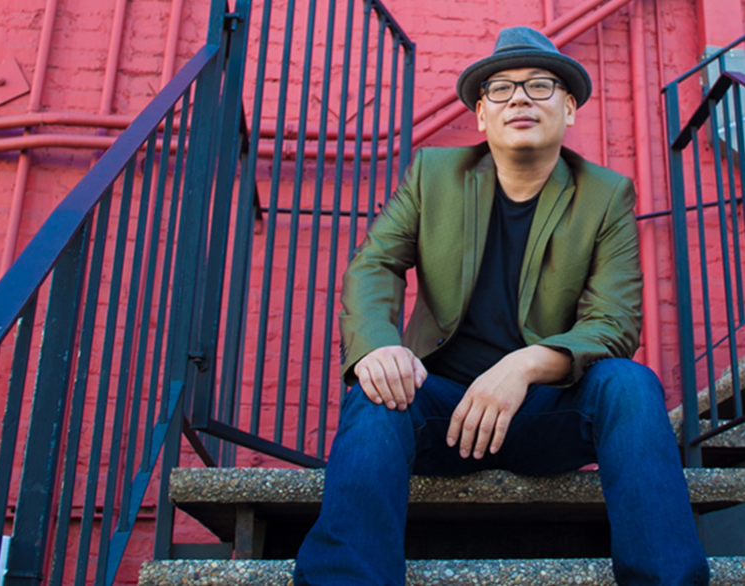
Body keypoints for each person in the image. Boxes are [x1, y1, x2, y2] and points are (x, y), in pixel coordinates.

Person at [293, 26, 709, 586]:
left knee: (630, 384)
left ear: (569, 109)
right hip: (442, 412)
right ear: (482, 115)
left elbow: (614, 321)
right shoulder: (433, 176)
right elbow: (375, 265)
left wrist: (524, 365)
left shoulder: (606, 195)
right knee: (377, 390)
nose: (518, 98)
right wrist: (377, 346)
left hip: (545, 415)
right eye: (501, 88)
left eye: (539, 86)